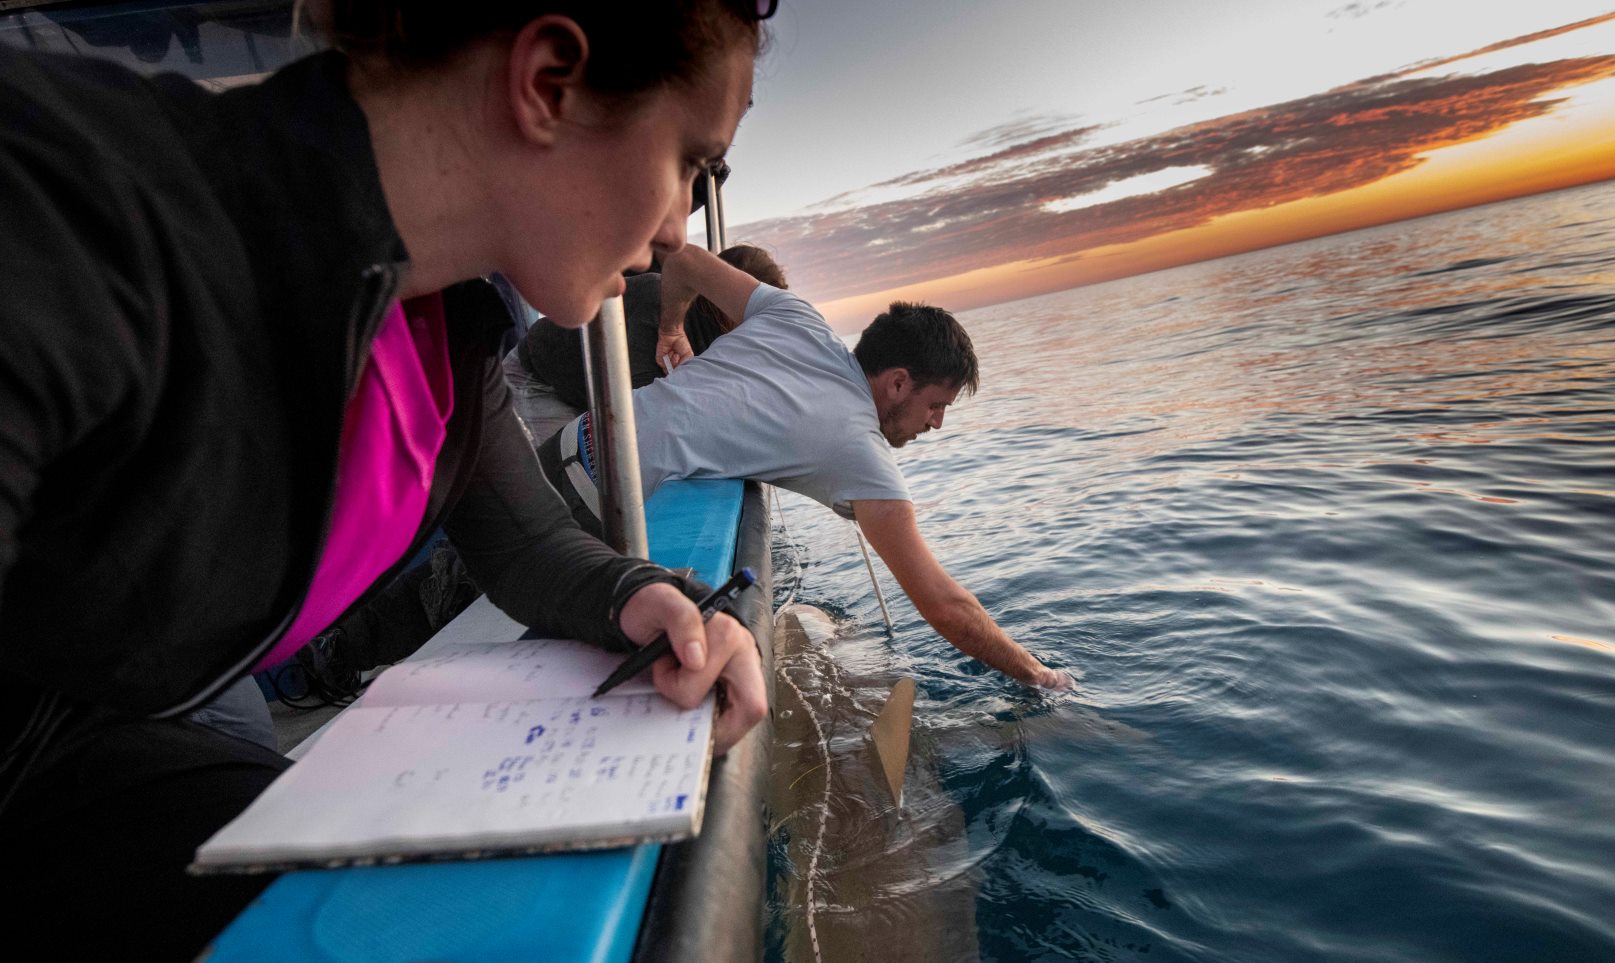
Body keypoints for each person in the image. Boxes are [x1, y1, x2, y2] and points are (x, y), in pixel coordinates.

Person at [0, 2, 773, 956]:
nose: (674, 228)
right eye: (691, 162)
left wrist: (656, 596)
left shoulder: (445, 329)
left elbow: (525, 542)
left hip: (127, 727)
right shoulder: (71, 210)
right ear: (546, 85)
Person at [547, 246, 1076, 690]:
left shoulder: (794, 315)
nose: (935, 424)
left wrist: (673, 329)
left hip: (565, 445)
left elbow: (683, 260)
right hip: (590, 513)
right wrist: (1041, 676)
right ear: (897, 382)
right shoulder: (860, 450)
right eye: (936, 405)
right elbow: (945, 607)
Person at [503, 243, 789, 445]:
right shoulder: (658, 301)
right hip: (538, 381)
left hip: (586, 392)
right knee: (570, 488)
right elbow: (640, 409)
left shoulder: (722, 334)